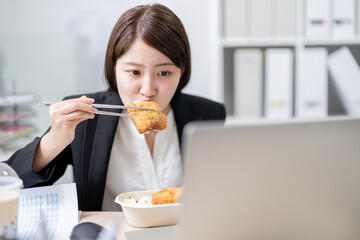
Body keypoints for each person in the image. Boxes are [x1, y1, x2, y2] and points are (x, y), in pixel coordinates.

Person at [6, 3, 226, 211]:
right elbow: (9, 184)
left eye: (164, 73)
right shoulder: (86, 119)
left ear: (181, 71)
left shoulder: (208, 115)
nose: (148, 89)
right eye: (135, 72)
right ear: (114, 68)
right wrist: (54, 139)